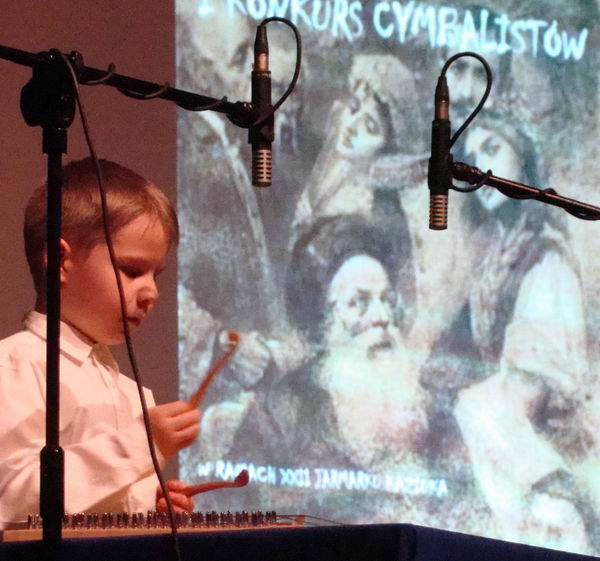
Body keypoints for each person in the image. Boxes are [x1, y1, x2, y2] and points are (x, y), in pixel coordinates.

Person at [0, 158, 200, 528]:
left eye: (155, 275)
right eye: (132, 270)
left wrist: (150, 505)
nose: (151, 292)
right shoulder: (16, 369)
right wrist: (140, 443)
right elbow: (10, 500)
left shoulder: (131, 393)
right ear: (60, 260)